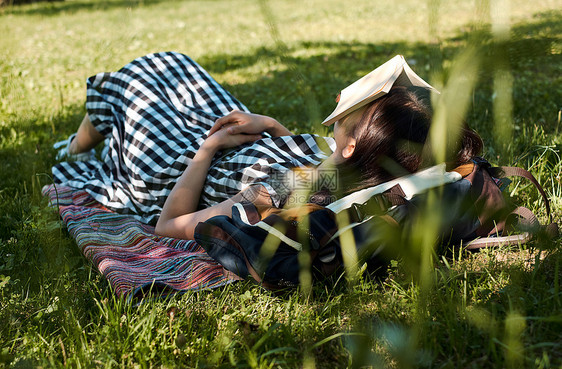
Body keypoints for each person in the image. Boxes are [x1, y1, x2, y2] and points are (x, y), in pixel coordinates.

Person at [52, 52, 483, 240]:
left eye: (354, 111)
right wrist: (275, 127)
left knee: (137, 80)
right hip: (245, 142)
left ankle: (75, 146)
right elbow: (313, 159)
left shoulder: (284, 190)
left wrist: (207, 149)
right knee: (172, 64)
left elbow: (170, 224)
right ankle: (82, 140)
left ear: (353, 144)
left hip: (181, 164)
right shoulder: (352, 167)